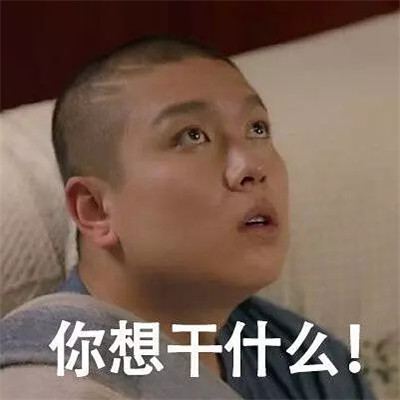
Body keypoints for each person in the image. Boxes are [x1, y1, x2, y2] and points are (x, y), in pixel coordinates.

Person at [0, 36, 376, 399]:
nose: (251, 166)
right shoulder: (51, 382)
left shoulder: (311, 365)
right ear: (95, 209)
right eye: (192, 136)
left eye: (257, 129)